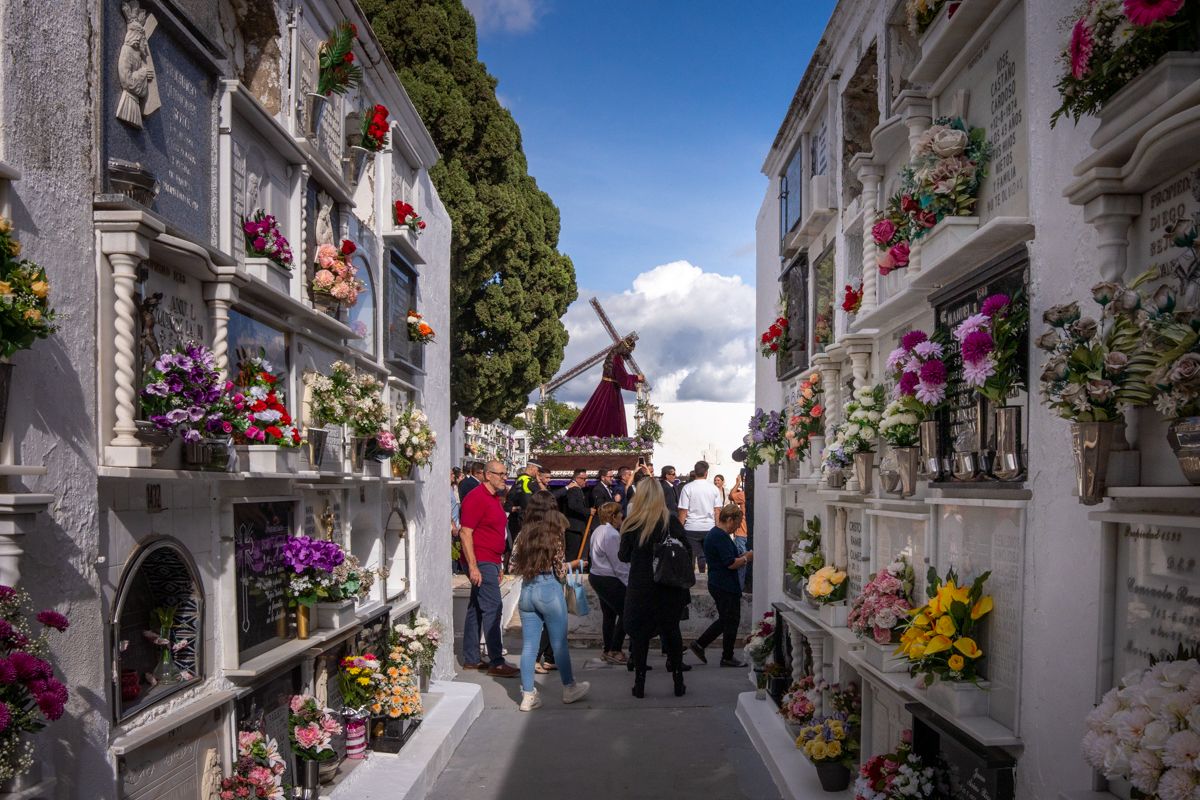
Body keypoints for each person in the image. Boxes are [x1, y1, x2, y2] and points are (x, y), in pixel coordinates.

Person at [509, 511, 591, 711]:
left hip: (527, 590)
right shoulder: (553, 537)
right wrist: (573, 565)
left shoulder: (523, 535)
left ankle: (528, 696)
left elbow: (512, 566)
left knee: (529, 646)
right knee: (559, 643)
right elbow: (560, 572)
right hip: (548, 589)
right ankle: (569, 687)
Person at [620, 479, 691, 698]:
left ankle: (640, 683)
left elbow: (623, 556)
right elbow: (687, 549)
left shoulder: (632, 523)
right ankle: (678, 680)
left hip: (642, 585)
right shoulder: (670, 521)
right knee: (672, 631)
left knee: (640, 636)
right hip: (668, 585)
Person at [458, 460, 519, 677]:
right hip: (480, 560)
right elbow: (466, 533)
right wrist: (474, 567)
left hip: (490, 560)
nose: (505, 477)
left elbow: (494, 532)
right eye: (500, 474)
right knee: (493, 608)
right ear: (487, 475)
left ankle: (472, 658)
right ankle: (496, 661)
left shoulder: (493, 498)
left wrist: (499, 563)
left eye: (506, 473)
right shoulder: (476, 497)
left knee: (476, 608)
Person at [689, 504, 752, 668]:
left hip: (720, 583)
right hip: (724, 584)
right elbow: (730, 563)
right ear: (729, 519)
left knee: (727, 619)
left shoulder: (716, 535)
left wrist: (742, 556)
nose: (737, 528)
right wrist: (747, 559)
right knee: (730, 620)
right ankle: (726, 655)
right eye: (736, 524)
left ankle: (702, 644)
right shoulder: (720, 536)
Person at [589, 502, 628, 665]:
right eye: (620, 514)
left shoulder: (598, 530)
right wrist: (629, 582)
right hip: (608, 578)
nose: (622, 517)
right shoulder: (612, 534)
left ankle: (607, 649)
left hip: (597, 576)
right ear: (613, 516)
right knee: (627, 612)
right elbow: (618, 563)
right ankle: (615, 649)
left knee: (610, 615)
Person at [677, 460, 722, 573]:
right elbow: (717, 511)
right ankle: (707, 578)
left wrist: (678, 529)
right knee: (708, 556)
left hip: (691, 527)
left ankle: (690, 581)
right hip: (709, 527)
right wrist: (718, 528)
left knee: (690, 556)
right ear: (706, 473)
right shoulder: (713, 489)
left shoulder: (687, 488)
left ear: (695, 472)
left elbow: (683, 511)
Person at [506, 462, 541, 569]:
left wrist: (514, 508)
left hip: (519, 518)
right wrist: (539, 481)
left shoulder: (518, 481)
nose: (538, 473)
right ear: (532, 469)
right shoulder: (529, 481)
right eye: (537, 470)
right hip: (530, 517)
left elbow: (509, 501)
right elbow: (544, 497)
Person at [562, 468, 591, 562]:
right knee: (572, 552)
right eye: (584, 479)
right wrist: (588, 511)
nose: (586, 481)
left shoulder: (578, 489)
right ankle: (570, 572)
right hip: (574, 527)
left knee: (577, 550)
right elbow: (573, 505)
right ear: (577, 478)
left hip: (578, 527)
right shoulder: (573, 489)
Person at [451, 468, 463, 574]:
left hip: (456, 522)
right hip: (452, 524)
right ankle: (452, 570)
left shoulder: (452, 488)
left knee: (455, 547)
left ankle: (454, 570)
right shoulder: (447, 489)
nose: (453, 476)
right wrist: (453, 524)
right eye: (451, 474)